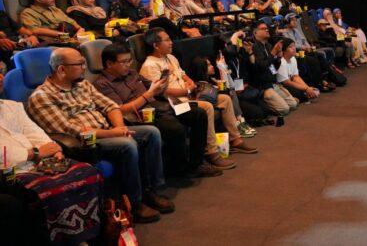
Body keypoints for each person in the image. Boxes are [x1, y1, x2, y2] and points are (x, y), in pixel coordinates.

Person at [27, 48, 173, 223]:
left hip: (108, 130)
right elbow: (72, 130)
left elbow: (110, 106)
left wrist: (120, 128)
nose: (84, 68)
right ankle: (134, 202)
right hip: (85, 144)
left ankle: (151, 190)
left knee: (152, 132)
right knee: (127, 145)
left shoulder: (83, 84)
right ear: (61, 69)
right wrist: (114, 133)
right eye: (80, 64)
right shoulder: (41, 97)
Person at [0, 73, 102, 244]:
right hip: (9, 171)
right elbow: (4, 154)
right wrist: (36, 153)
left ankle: (86, 233)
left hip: (39, 161)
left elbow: (33, 131)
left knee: (87, 171)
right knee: (49, 187)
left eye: (1, 72)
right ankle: (64, 239)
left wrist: (53, 149)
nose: (1, 77)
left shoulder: (12, 106)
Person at [95, 43, 223, 178]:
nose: (128, 65)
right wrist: (147, 95)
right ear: (109, 64)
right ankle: (181, 169)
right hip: (140, 116)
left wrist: (163, 82)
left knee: (198, 113)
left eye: (130, 60)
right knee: (175, 127)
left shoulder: (132, 73)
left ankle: (197, 163)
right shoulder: (102, 84)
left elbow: (154, 88)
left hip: (160, 106)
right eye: (124, 62)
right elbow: (120, 110)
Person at [139, 28, 257, 158]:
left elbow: (183, 75)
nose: (171, 42)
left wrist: (191, 84)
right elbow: (161, 91)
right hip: (175, 104)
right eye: (167, 40)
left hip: (189, 96)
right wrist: (188, 90)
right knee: (207, 107)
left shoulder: (170, 57)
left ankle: (236, 140)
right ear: (156, 45)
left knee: (225, 99)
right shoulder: (149, 65)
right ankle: (211, 152)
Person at [189, 55, 255, 137]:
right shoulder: (198, 85)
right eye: (208, 65)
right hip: (208, 103)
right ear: (202, 68)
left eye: (211, 64)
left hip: (232, 94)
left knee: (231, 92)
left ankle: (240, 121)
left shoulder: (212, 79)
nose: (212, 66)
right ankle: (238, 122)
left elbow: (232, 85)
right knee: (229, 93)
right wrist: (221, 69)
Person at [252, 21, 298, 116]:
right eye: (263, 28)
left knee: (293, 105)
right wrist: (273, 53)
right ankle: (264, 104)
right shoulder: (253, 47)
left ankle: (277, 100)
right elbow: (262, 66)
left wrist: (279, 57)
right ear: (255, 32)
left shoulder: (268, 46)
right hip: (262, 86)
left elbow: (273, 68)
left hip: (273, 83)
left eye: (267, 28)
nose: (267, 30)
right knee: (284, 110)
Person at [20, 0, 86, 42]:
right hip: (53, 42)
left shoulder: (54, 9)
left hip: (69, 38)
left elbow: (72, 22)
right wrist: (66, 37)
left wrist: (80, 29)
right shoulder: (28, 13)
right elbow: (35, 30)